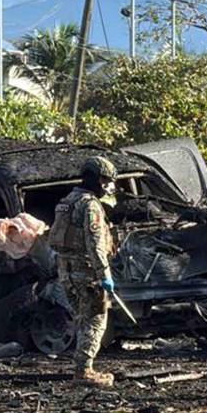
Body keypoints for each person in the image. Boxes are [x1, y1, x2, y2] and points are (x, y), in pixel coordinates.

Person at [49, 156, 118, 386]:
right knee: (96, 320)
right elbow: (95, 244)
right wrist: (105, 275)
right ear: (98, 180)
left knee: (81, 318)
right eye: (107, 181)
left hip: (66, 271)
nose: (109, 187)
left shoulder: (66, 201)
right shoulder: (90, 205)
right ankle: (84, 371)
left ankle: (81, 366)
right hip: (86, 272)